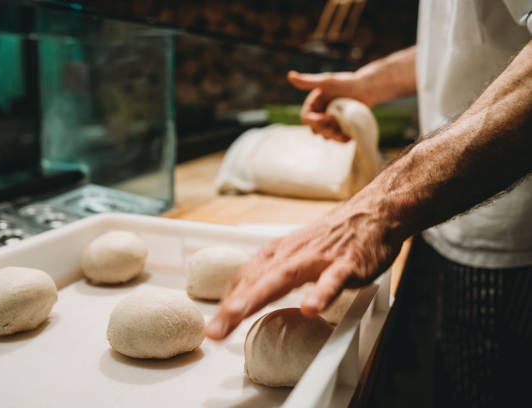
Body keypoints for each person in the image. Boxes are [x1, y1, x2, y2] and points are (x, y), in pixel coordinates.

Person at [205, 1, 532, 405]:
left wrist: (382, 205)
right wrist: (373, 82)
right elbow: (472, 39)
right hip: (440, 217)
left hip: (510, 238)